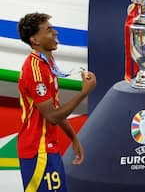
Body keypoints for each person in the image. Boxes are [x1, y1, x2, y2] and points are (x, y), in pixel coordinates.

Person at [17, 12, 96, 192]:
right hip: (38, 151)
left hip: (48, 147)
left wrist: (73, 138)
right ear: (35, 40)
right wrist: (84, 93)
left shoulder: (48, 62)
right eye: (48, 30)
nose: (55, 32)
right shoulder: (34, 70)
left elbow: (56, 108)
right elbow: (52, 116)